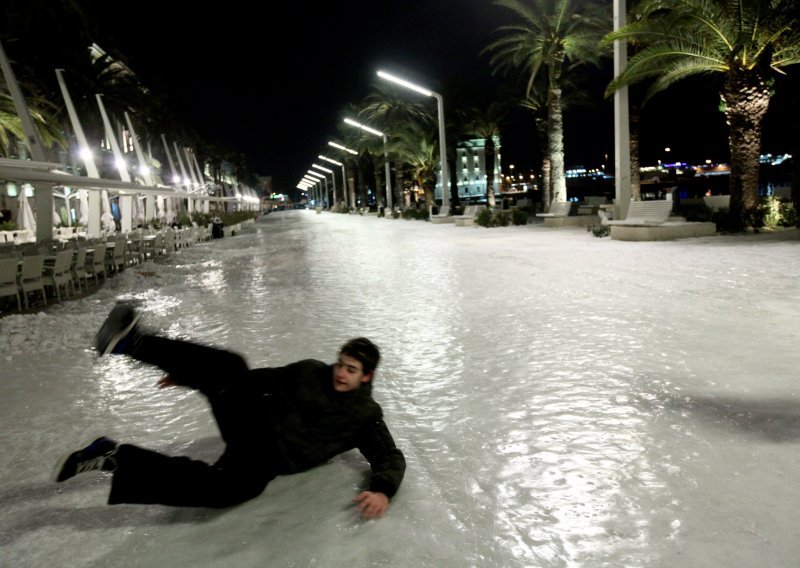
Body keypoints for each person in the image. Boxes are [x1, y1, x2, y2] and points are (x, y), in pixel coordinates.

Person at [53, 303, 405, 519]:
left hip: (267, 460)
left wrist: (382, 490)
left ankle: (113, 456)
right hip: (253, 421)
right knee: (234, 366)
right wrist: (193, 378)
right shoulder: (312, 371)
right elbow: (257, 380)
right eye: (340, 364)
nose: (340, 373)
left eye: (351, 370)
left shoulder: (365, 416)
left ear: (367, 376)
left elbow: (389, 457)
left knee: (229, 490)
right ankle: (133, 342)